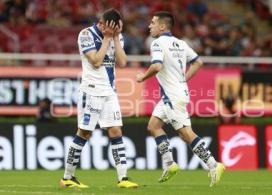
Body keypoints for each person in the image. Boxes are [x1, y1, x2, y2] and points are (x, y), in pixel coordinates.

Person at [136, 11, 225, 187]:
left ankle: (213, 165)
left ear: (162, 26)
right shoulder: (181, 43)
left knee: (185, 134)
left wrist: (142, 78)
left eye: (153, 23)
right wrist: (183, 79)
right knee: (153, 126)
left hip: (172, 96)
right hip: (176, 93)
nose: (149, 26)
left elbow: (156, 65)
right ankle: (170, 164)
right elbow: (198, 62)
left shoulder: (157, 43)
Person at [60, 8, 138, 189]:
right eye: (106, 26)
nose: (107, 29)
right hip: (91, 91)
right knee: (84, 133)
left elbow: (123, 62)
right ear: (101, 23)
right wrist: (107, 38)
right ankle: (67, 177)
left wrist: (116, 38)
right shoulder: (86, 34)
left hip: (110, 92)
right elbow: (95, 61)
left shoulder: (117, 37)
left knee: (116, 131)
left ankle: (123, 178)